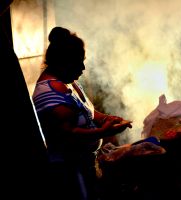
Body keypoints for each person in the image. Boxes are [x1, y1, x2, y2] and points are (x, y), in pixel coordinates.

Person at [32, 26, 132, 200]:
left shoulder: (68, 83)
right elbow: (67, 135)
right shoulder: (48, 91)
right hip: (68, 172)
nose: (83, 67)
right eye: (79, 62)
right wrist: (104, 132)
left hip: (85, 165)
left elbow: (90, 112)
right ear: (63, 62)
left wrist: (108, 119)